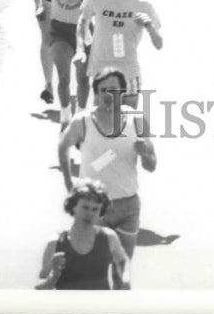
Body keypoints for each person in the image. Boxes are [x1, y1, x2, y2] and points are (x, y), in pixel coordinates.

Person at [58, 67, 156, 260]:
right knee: (95, 270)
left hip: (127, 207)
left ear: (122, 92)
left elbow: (151, 165)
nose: (108, 95)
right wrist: (68, 182)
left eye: (113, 90)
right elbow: (63, 146)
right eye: (103, 90)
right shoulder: (83, 121)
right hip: (93, 208)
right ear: (96, 93)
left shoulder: (136, 120)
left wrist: (144, 153)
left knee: (123, 268)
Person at [74, 0, 163, 110]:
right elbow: (82, 22)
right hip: (102, 70)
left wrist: (149, 26)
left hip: (129, 71)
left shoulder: (143, 4)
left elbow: (159, 44)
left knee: (128, 126)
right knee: (102, 124)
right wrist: (81, 49)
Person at [36, 179, 130, 290]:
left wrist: (125, 278)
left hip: (100, 305)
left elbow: (122, 261)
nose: (90, 214)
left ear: (101, 211)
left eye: (95, 209)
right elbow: (39, 289)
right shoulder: (55, 242)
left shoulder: (109, 237)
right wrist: (54, 276)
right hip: (67, 306)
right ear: (73, 206)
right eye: (85, 207)